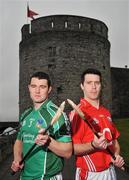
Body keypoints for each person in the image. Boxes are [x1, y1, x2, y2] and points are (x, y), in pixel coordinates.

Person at [11, 71, 72, 180]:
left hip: (47, 177)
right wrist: (17, 159)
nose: (37, 91)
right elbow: (19, 141)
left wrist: (49, 142)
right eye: (34, 86)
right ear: (29, 87)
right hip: (24, 176)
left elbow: (68, 152)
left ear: (49, 89)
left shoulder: (57, 115)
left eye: (42, 87)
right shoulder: (25, 114)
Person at [69, 68, 125, 180]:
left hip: (110, 171)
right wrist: (93, 145)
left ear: (101, 85)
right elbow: (71, 149)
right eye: (89, 83)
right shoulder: (77, 113)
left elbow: (114, 142)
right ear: (82, 86)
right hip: (90, 174)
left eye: (97, 83)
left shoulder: (105, 112)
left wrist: (117, 156)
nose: (93, 87)